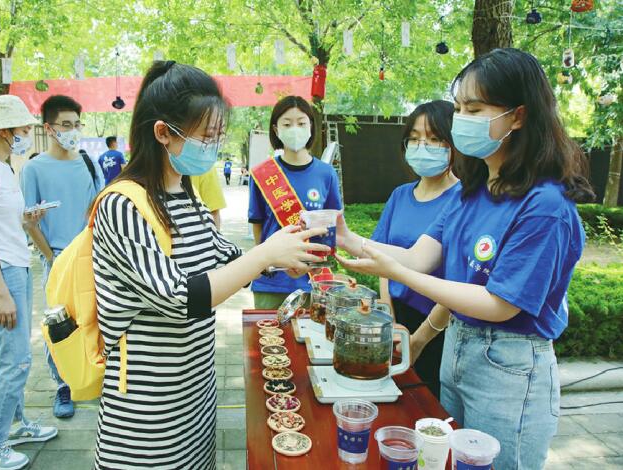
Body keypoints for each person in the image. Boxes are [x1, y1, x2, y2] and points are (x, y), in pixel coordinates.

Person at [336, 48, 595, 469]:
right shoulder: (470, 192)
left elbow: (499, 304)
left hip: (508, 364)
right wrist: (349, 239)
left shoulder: (544, 206)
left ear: (518, 116)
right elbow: (419, 257)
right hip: (459, 347)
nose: (462, 121)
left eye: (474, 109)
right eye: (458, 108)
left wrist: (397, 272)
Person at [91, 60, 327, 469]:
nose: (213, 148)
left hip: (194, 396)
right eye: (206, 137)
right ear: (162, 133)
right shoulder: (122, 204)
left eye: (218, 137)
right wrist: (264, 254)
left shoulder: (186, 195)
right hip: (146, 414)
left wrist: (281, 262)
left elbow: (227, 257)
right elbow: (183, 298)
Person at [0, 95, 57, 470]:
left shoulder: (3, 168)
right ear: (4, 131)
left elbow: (3, 224)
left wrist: (27, 217)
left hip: (16, 269)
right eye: (22, 129)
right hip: (2, 274)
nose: (26, 134)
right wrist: (1, 293)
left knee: (20, 357)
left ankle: (15, 424)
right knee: (13, 360)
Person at [20, 95, 105, 419]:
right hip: (56, 257)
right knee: (60, 322)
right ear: (49, 128)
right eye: (66, 125)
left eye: (76, 124)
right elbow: (28, 221)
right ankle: (63, 386)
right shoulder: (34, 168)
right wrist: (51, 258)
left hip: (93, 254)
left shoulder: (88, 162)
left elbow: (99, 207)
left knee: (98, 317)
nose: (73, 131)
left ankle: (98, 378)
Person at [371, 100, 460, 399]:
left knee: (426, 408)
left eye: (435, 139)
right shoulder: (399, 195)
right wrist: (388, 317)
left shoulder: (463, 199)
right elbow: (382, 257)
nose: (423, 146)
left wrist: (420, 339)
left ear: (453, 144)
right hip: (395, 320)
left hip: (436, 326)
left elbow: (458, 285)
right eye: (415, 138)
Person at [248, 95, 342, 310]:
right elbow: (258, 225)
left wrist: (323, 266)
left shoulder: (326, 174)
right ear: (276, 129)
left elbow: (333, 226)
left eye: (301, 123)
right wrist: (265, 264)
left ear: (311, 127)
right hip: (272, 281)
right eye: (287, 124)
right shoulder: (262, 174)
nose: (295, 129)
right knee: (269, 340)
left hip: (314, 281)